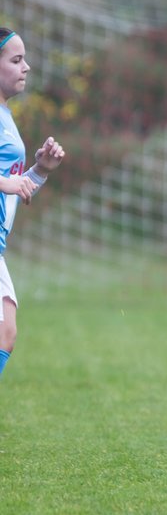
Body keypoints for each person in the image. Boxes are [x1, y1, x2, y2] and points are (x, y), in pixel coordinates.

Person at [0, 27, 68, 380]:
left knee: (6, 331)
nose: (26, 67)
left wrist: (40, 170)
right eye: (16, 60)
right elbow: (7, 184)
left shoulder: (6, 116)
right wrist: (6, 182)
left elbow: (14, 189)